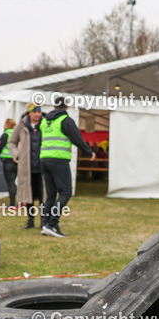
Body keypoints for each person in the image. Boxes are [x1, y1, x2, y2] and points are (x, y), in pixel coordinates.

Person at [39, 99, 95, 237]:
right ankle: (52, 224)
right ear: (67, 106)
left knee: (51, 194)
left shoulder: (45, 121)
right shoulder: (65, 120)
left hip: (44, 159)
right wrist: (89, 152)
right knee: (65, 192)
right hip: (59, 160)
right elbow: (77, 139)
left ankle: (45, 224)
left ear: (54, 106)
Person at [9, 103, 45, 230]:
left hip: (42, 166)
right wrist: (17, 155)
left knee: (43, 196)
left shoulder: (46, 124)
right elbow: (12, 142)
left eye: (39, 112)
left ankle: (44, 221)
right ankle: (30, 220)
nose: (37, 114)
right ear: (29, 113)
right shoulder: (21, 125)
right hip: (27, 167)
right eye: (35, 112)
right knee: (28, 195)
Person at [0, 118, 18, 208]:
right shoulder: (17, 135)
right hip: (16, 161)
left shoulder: (5, 135)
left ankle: (12, 203)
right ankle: (19, 201)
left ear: (7, 125)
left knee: (10, 183)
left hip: (7, 161)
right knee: (13, 181)